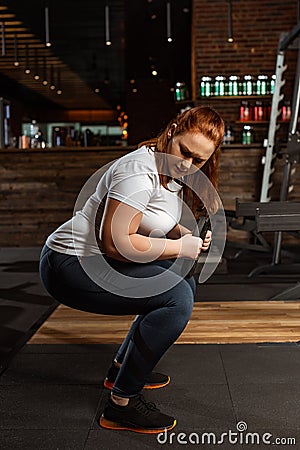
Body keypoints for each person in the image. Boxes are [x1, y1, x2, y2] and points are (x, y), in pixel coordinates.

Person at [39, 106, 225, 434]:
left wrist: (183, 234)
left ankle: (122, 369)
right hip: (69, 264)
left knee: (182, 280)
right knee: (176, 299)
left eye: (198, 160)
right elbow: (117, 243)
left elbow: (150, 221)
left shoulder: (169, 168)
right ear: (171, 131)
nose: (188, 165)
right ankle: (121, 405)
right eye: (185, 152)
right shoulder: (138, 172)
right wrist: (180, 248)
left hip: (98, 259)